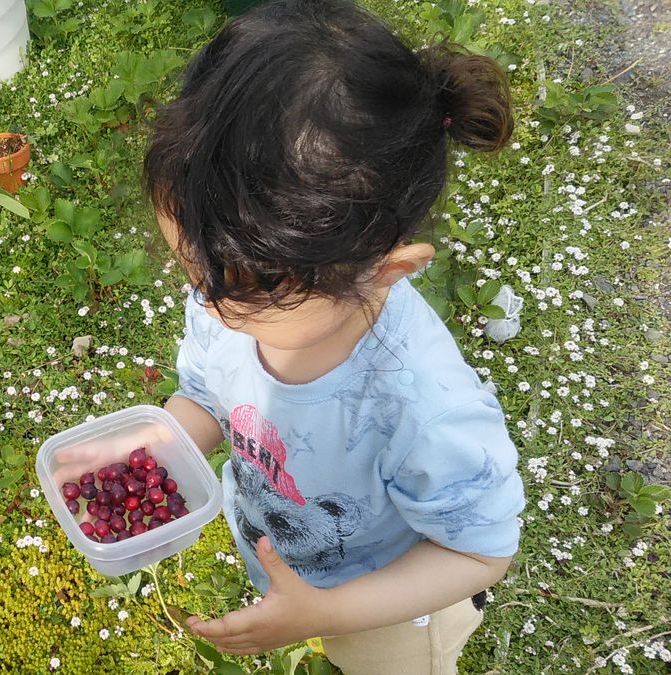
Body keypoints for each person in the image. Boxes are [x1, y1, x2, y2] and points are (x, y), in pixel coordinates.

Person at [142, 0, 526, 672]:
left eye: (237, 289)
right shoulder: (225, 294)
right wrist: (156, 450)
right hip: (295, 567)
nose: (206, 302)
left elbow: (480, 549)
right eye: (190, 268)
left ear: (386, 271)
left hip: (393, 611)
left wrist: (327, 613)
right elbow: (206, 395)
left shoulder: (421, 405)